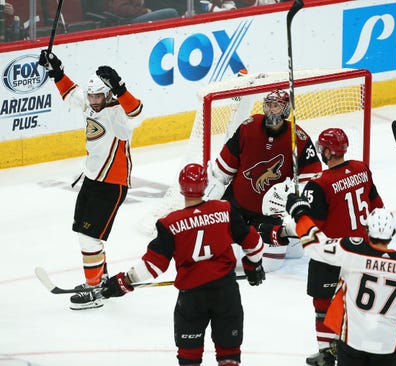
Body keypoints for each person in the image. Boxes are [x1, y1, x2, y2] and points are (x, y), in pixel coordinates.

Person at [100, 163, 266, 366]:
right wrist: (253, 265)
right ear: (205, 185)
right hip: (226, 292)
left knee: (189, 357)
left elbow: (153, 266)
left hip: (192, 298)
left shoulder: (170, 223)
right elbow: (254, 243)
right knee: (229, 355)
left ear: (180, 187)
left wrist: (123, 282)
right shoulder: (224, 209)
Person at [38, 50, 144, 310]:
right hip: (92, 178)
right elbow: (72, 94)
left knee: (89, 237)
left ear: (108, 95)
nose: (94, 101)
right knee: (85, 234)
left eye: (99, 96)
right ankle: (100, 279)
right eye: (92, 96)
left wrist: (121, 88)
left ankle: (95, 288)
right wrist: (57, 70)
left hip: (112, 183)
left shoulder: (119, 114)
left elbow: (137, 114)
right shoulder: (89, 102)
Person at [283, 197, 396, 366]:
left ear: (367, 229)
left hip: (353, 342)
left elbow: (315, 245)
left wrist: (301, 215)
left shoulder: (352, 250)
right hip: (388, 345)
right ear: (393, 233)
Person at [204, 88, 322, 272]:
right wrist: (211, 202)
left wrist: (291, 194)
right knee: (223, 255)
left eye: (276, 106)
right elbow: (222, 170)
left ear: (285, 110)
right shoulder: (248, 127)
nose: (270, 110)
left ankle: (289, 240)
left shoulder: (298, 138)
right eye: (268, 105)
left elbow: (312, 180)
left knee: (269, 264)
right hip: (237, 204)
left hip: (270, 213)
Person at [301, 128, 384, 366]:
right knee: (359, 303)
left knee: (323, 304)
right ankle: (358, 349)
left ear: (327, 151)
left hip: (332, 254)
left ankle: (328, 353)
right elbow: (377, 205)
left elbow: (312, 228)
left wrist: (296, 211)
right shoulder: (361, 168)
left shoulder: (320, 184)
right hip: (364, 251)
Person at [106, 0, 178, 23]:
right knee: (171, 12)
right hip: (128, 21)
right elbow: (121, 9)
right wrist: (144, 11)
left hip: (138, 14)